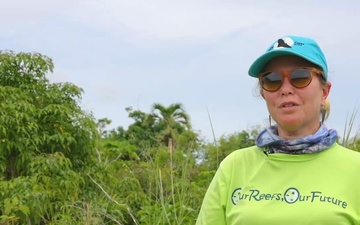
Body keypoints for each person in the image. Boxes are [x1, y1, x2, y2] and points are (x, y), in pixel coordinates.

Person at [196, 35, 360, 224]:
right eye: (272, 80)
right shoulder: (234, 167)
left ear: (324, 92)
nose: (286, 89)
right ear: (264, 94)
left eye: (300, 76)